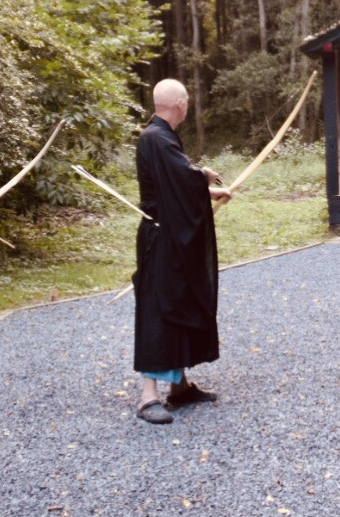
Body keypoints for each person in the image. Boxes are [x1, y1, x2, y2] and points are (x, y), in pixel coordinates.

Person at [132, 78, 232, 425]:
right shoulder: (156, 138)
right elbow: (181, 178)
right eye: (186, 99)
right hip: (161, 240)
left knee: (180, 303)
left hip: (170, 236)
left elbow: (173, 185)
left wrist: (207, 191)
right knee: (159, 309)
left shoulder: (162, 136)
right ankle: (147, 396)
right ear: (179, 103)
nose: (187, 104)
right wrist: (203, 176)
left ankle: (180, 386)